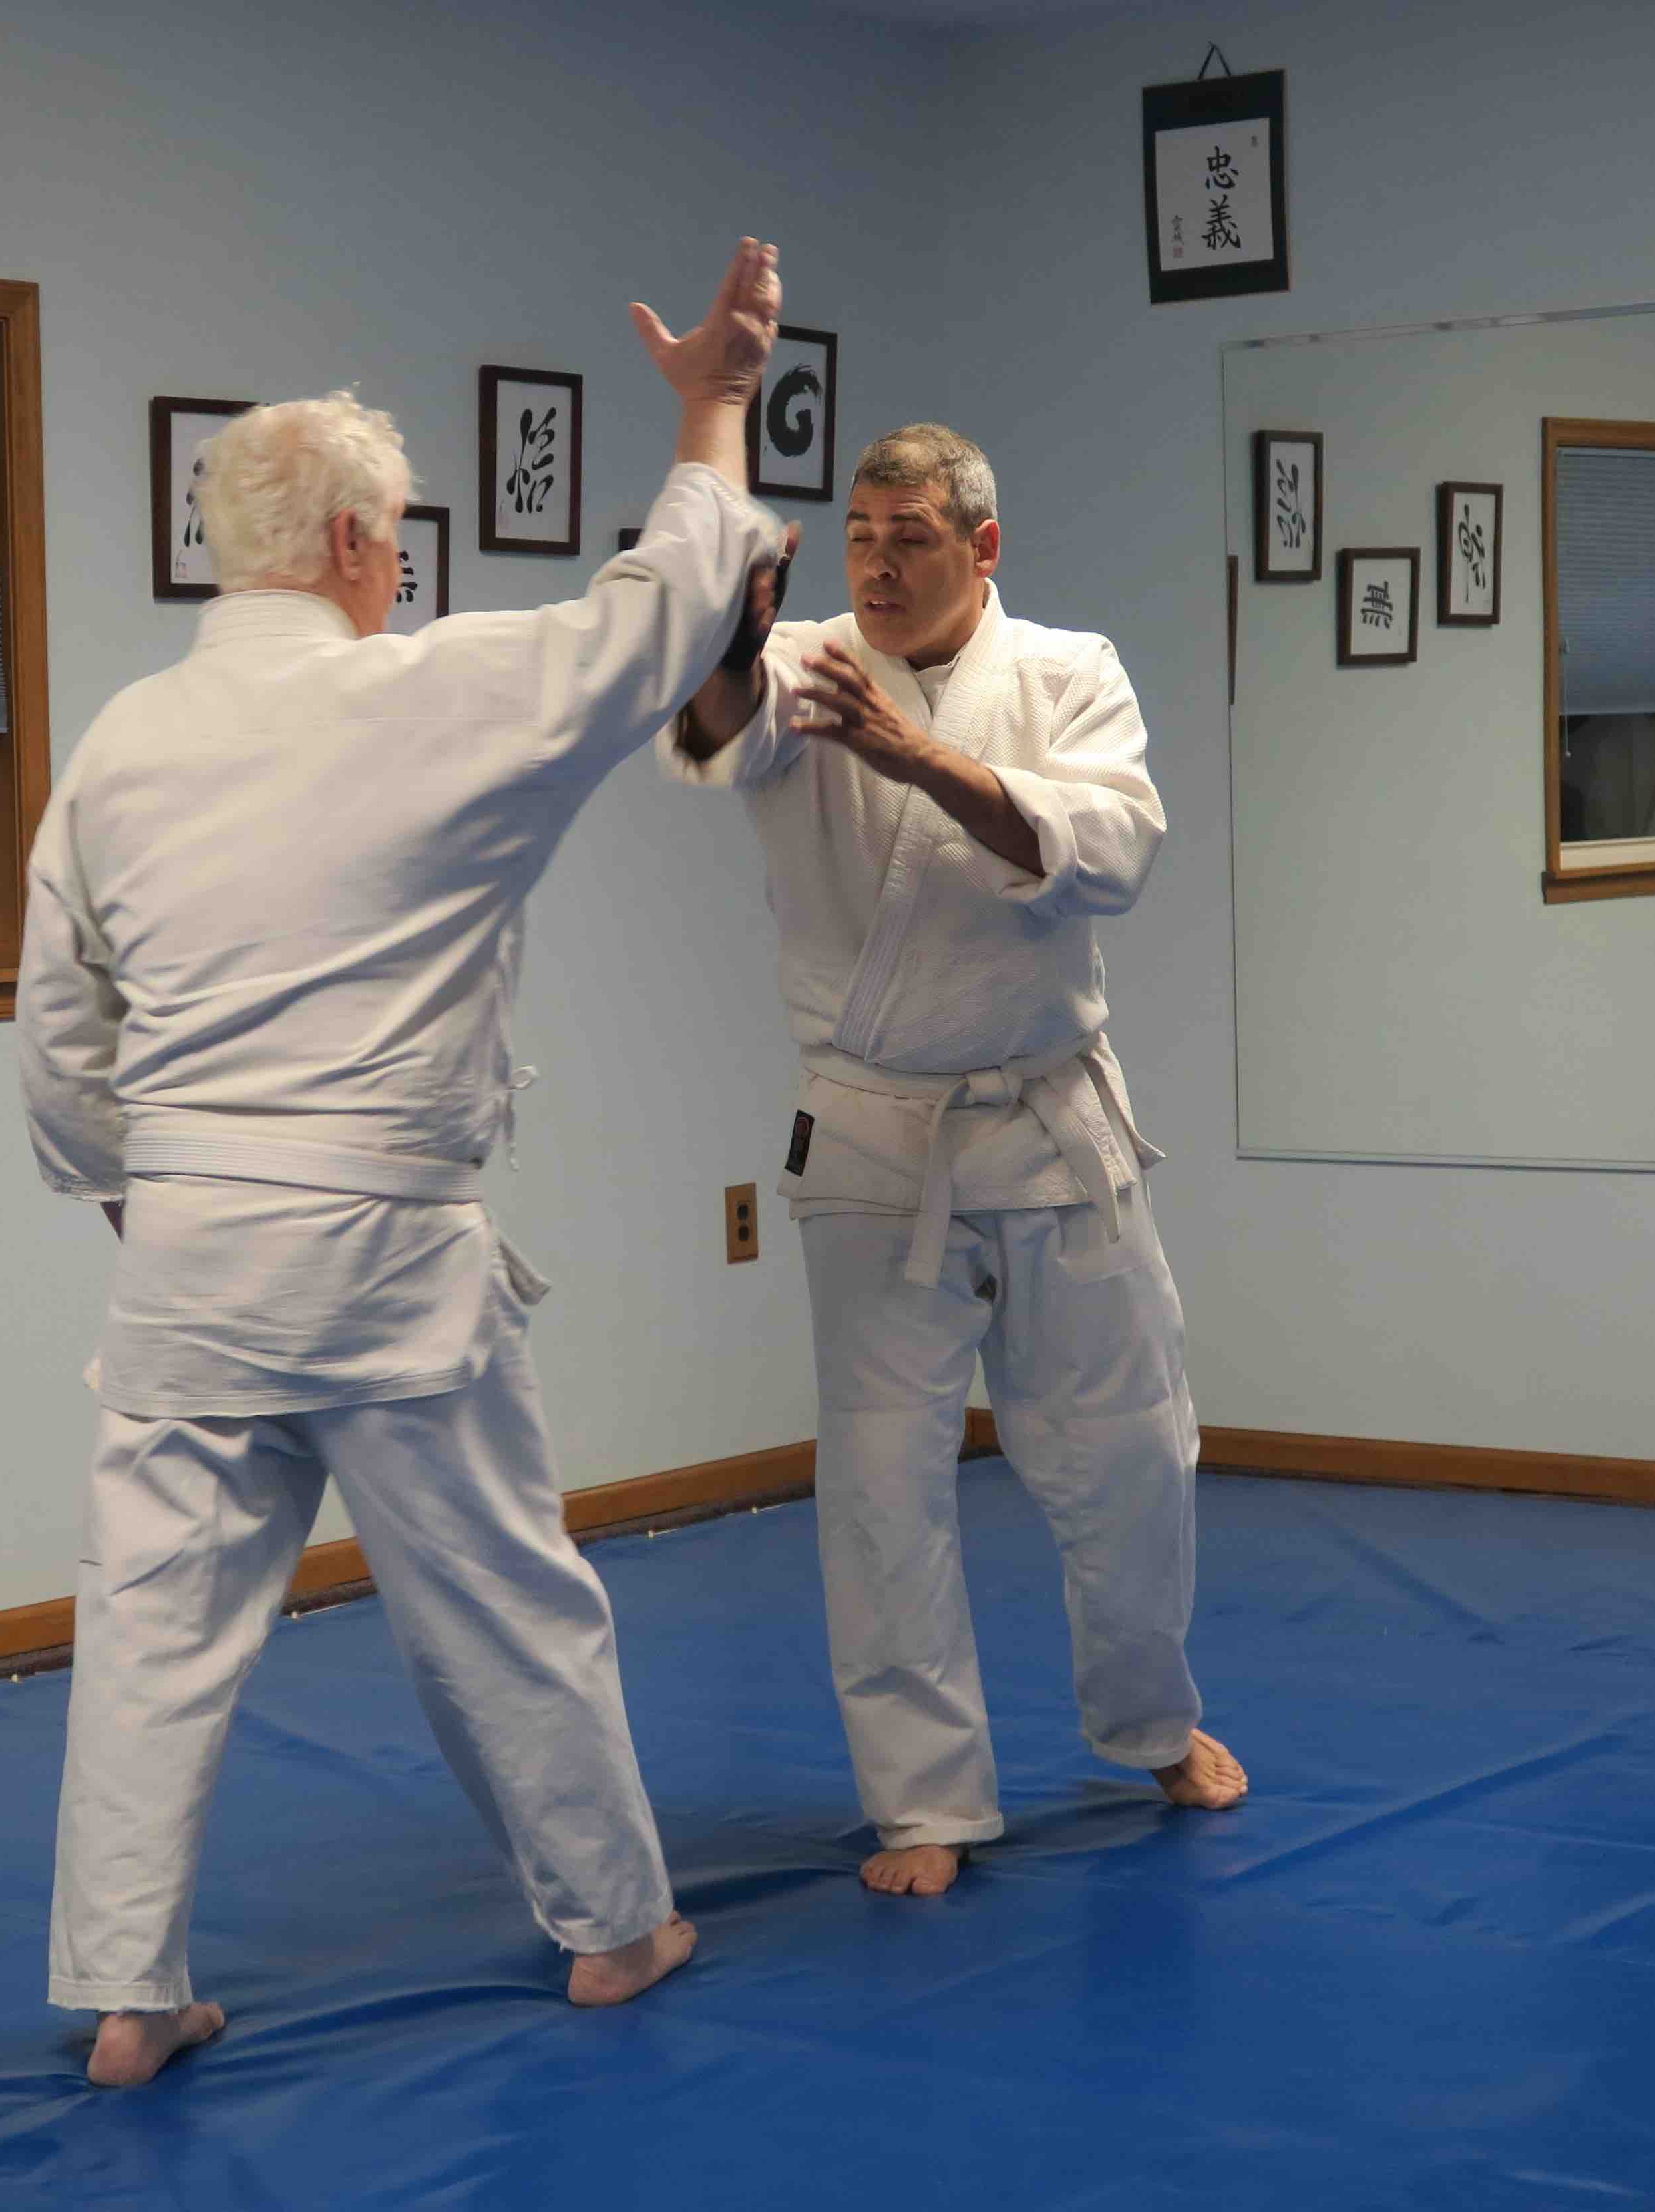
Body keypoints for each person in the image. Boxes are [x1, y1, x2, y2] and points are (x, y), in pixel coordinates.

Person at [17, 239, 787, 2084]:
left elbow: (60, 1037)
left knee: (148, 1632)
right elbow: (662, 611)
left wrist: (151, 1192)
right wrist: (710, 404)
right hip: (379, 1247)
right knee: (499, 1603)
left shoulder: (124, 740)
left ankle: (127, 1996)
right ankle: (615, 1931)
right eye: (400, 540)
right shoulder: (428, 695)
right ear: (359, 548)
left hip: (189, 1247)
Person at [659, 421, 1245, 1901]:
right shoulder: (806, 666)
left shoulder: (1069, 671)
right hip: (869, 1128)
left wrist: (916, 756)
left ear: (981, 547)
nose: (878, 560)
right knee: (878, 1485)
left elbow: (1111, 855)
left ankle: (1151, 1719)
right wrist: (727, 636)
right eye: (861, 533)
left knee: (1130, 1457)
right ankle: (923, 1800)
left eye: (910, 535)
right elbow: (710, 730)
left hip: (1051, 1121)